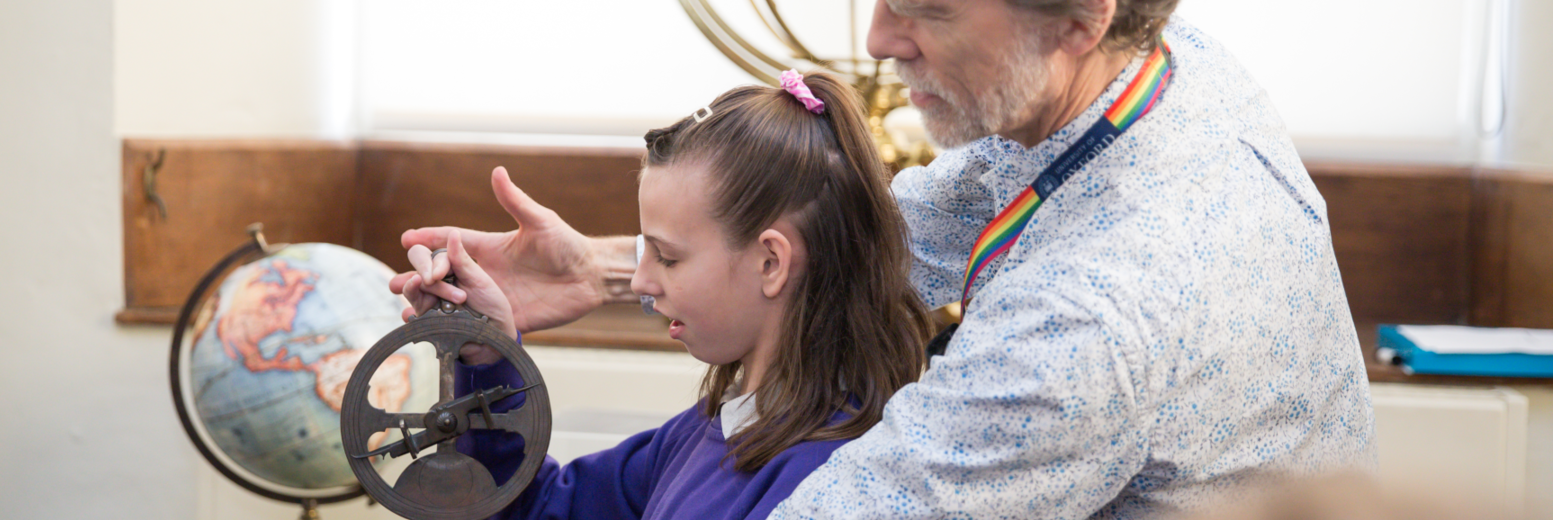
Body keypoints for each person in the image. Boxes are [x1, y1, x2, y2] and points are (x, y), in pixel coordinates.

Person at [396, 0, 1378, 517]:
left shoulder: (1087, 325)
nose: (875, 37)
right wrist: (618, 269)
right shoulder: (1144, 69)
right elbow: (883, 233)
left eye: (927, 6)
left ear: (1080, 17)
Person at [395, 71, 938, 519]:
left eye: (668, 257)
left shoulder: (826, 484)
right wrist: (489, 356)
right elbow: (533, 510)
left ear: (771, 263)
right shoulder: (703, 432)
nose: (637, 282)